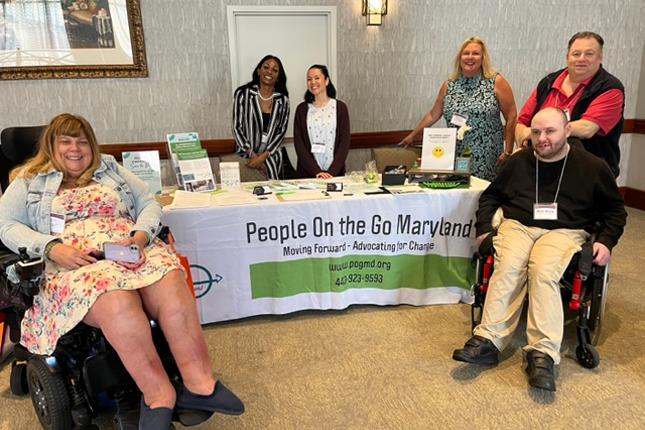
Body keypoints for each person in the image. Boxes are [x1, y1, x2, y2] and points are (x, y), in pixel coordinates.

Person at [0, 114, 244, 429]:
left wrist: (140, 237)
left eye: (82, 141)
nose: (76, 149)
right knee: (115, 299)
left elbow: (148, 203)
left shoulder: (110, 169)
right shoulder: (29, 179)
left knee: (171, 278)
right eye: (66, 141)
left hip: (128, 249)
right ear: (51, 145)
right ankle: (158, 395)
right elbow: (6, 226)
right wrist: (50, 247)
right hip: (77, 262)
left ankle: (200, 385)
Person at [452, 108, 626, 392]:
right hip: (519, 225)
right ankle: (489, 340)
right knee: (509, 264)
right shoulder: (518, 162)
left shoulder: (593, 167)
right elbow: (491, 196)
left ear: (567, 131)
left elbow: (615, 211)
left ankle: (542, 353)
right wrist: (484, 227)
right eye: (535, 132)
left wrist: (605, 241)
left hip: (565, 229)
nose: (542, 139)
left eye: (550, 131)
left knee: (543, 270)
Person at [399, 36, 517, 181]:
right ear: (460, 57)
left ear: (483, 58)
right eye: (466, 53)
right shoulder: (449, 85)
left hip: (488, 157)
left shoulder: (496, 81)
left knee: (482, 198)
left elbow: (511, 116)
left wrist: (508, 151)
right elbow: (433, 114)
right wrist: (413, 135)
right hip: (454, 155)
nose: (470, 57)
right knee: (459, 196)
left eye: (476, 53)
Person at [515, 31, 624, 177]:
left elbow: (587, 128)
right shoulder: (548, 82)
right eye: (576, 54)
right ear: (567, 57)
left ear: (600, 58)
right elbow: (522, 122)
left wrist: (535, 132)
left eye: (589, 54)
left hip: (588, 174)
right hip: (540, 169)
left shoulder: (610, 89)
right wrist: (522, 140)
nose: (581, 59)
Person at [232, 54, 292, 180]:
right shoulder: (243, 94)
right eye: (266, 67)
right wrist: (253, 156)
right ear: (259, 71)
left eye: (275, 70)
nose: (269, 71)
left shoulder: (283, 100)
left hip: (271, 157)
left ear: (278, 77)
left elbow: (281, 132)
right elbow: (237, 127)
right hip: (246, 156)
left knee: (272, 194)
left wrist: (262, 157)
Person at [293, 64, 350, 179]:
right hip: (308, 175)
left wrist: (332, 172)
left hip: (335, 174)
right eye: (309, 79)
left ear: (327, 81)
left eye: (317, 78)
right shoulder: (302, 110)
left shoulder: (340, 107)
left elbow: (344, 142)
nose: (313, 82)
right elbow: (299, 145)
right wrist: (316, 171)